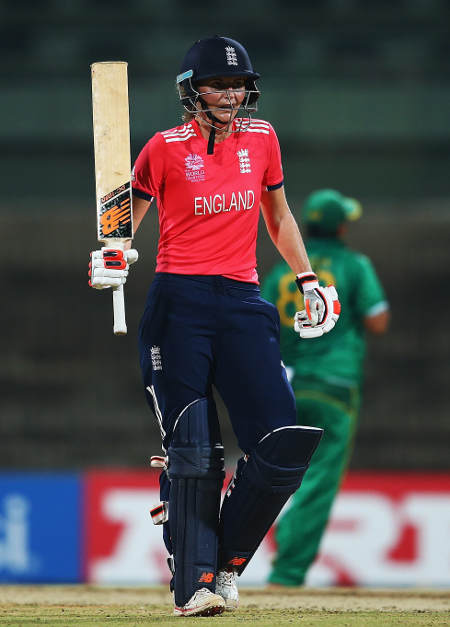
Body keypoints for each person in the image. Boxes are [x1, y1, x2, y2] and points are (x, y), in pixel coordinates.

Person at [88, 37, 340, 617]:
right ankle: (195, 582)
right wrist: (110, 255)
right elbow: (121, 222)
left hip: (244, 300)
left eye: (236, 85)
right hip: (180, 303)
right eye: (216, 85)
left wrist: (307, 279)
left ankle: (223, 562)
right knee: (194, 448)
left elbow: (276, 214)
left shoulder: (264, 138)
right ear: (191, 91)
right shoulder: (163, 149)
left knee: (281, 443)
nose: (229, 95)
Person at [261, 188, 390, 588]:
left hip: (287, 386)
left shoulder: (284, 270)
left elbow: (260, 325)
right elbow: (377, 321)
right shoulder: (354, 264)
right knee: (318, 482)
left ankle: (240, 551)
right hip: (335, 386)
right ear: (342, 227)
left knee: (275, 475)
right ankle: (288, 570)